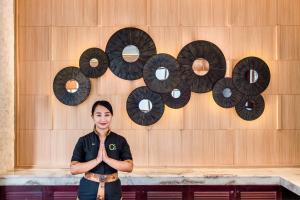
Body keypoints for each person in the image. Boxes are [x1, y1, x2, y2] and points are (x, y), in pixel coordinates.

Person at [70, 100, 133, 200]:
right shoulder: (83, 140)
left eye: (107, 115)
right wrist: (97, 160)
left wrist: (107, 159)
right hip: (87, 191)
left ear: (111, 116)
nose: (103, 119)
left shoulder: (120, 140)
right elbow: (73, 169)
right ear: (92, 116)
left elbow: (129, 167)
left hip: (113, 192)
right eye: (98, 115)